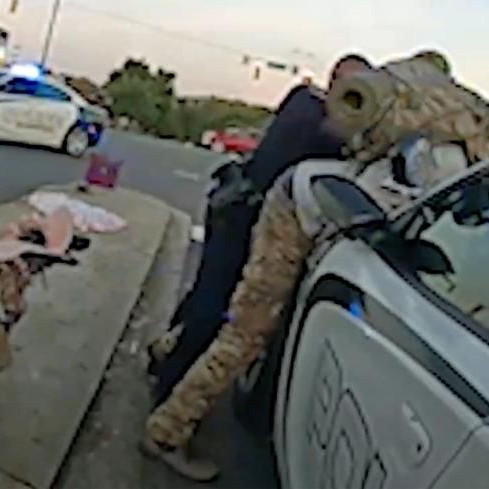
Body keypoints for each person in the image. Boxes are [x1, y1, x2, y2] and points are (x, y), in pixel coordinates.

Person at [141, 54, 374, 481]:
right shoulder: (322, 122)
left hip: (233, 206)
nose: (352, 102)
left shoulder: (302, 100)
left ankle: (163, 359)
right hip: (239, 218)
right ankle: (165, 418)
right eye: (352, 90)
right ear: (337, 83)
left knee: (204, 299)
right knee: (213, 316)